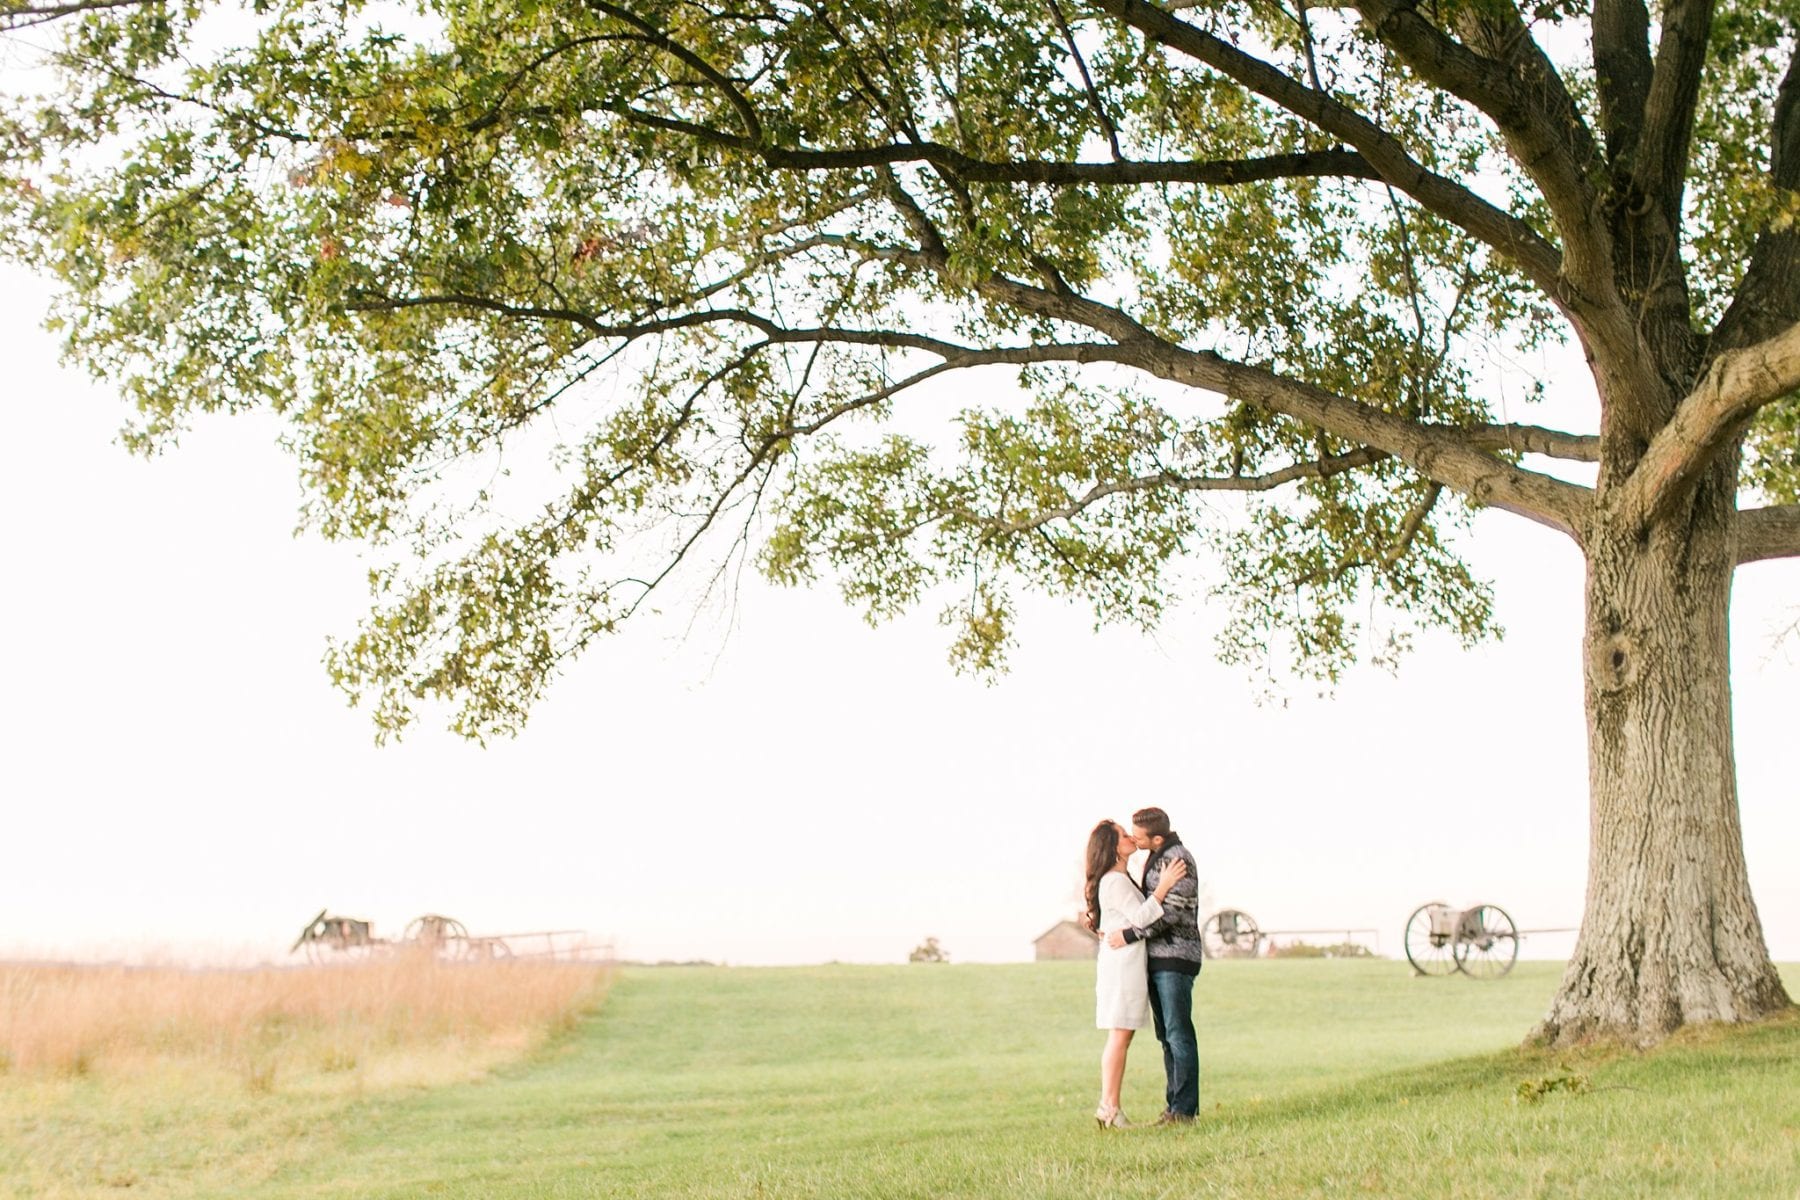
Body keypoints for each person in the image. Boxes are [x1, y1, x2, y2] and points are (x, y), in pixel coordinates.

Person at [1084, 819, 1187, 1129]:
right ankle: (1109, 1108)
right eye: (1124, 835)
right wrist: (1165, 884)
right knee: (1119, 1035)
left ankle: (1110, 1108)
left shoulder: (1118, 878)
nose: (1131, 837)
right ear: (1114, 847)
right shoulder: (1114, 881)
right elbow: (1142, 917)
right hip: (1122, 967)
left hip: (1125, 962)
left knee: (1121, 1036)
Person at [1107, 806, 1202, 1124]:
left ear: (1157, 837)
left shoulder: (1178, 859)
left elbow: (1172, 912)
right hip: (1157, 959)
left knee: (1178, 1034)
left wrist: (1131, 934)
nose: (1133, 838)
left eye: (1138, 835)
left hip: (1176, 957)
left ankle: (1185, 1111)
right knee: (1166, 1036)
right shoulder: (1155, 856)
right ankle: (1173, 1107)